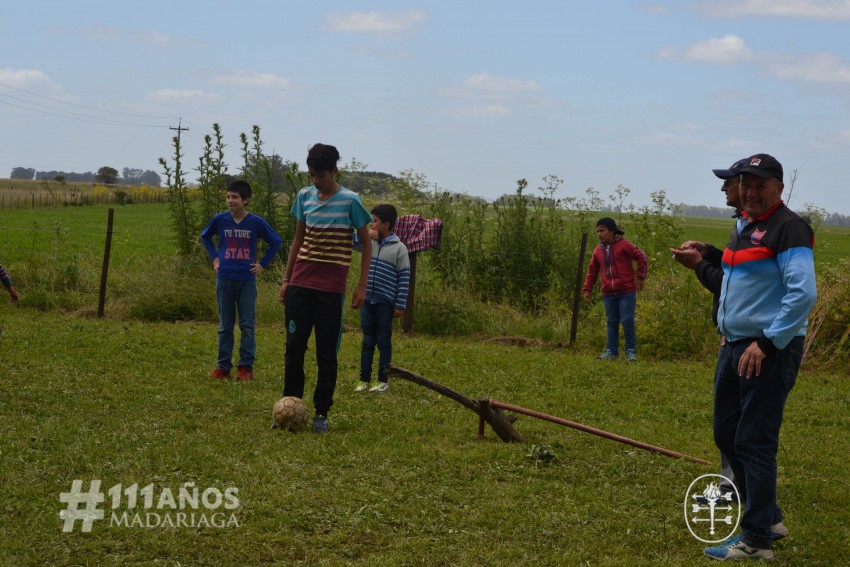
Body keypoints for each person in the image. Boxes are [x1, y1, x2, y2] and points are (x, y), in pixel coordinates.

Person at [701, 154, 817, 561]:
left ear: (778, 189)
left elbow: (802, 294)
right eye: (745, 185)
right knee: (727, 433)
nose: (749, 192)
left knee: (755, 440)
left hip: (766, 351)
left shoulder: (789, 228)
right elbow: (737, 281)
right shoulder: (747, 225)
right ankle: (767, 518)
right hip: (734, 345)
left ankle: (756, 541)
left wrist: (767, 343)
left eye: (759, 186)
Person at [278, 143, 372, 433]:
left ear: (334, 171)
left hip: (331, 291)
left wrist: (361, 286)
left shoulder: (350, 201)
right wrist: (286, 279)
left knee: (326, 353)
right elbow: (297, 240)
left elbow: (367, 244)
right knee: (294, 348)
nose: (315, 181)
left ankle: (321, 412)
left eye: (320, 175)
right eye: (311, 175)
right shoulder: (304, 197)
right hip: (300, 286)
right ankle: (288, 406)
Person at [671, 157, 746, 499]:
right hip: (731, 337)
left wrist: (699, 265)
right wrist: (710, 252)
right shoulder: (743, 226)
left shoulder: (761, 232)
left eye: (729, 182)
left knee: (742, 423)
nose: (723, 188)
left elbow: (733, 286)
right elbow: (732, 270)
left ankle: (749, 499)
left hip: (751, 342)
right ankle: (732, 485)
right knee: (727, 421)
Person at [200, 180, 283, 381]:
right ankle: (223, 367)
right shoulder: (220, 220)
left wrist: (262, 264)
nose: (230, 201)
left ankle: (245, 367)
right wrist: (216, 258)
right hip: (224, 278)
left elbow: (276, 241)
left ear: (245, 200)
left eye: (235, 197)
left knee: (247, 325)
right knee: (225, 326)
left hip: (246, 280)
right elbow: (205, 237)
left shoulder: (255, 222)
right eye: (228, 196)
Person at [354, 204, 410, 393]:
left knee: (383, 341)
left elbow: (404, 278)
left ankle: (383, 381)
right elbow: (351, 242)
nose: (371, 224)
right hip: (367, 300)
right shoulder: (369, 242)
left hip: (386, 303)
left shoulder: (399, 248)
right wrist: (365, 237)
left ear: (386, 224)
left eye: (375, 221)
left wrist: (400, 305)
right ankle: (364, 380)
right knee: (367, 341)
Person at [582, 217, 648, 361]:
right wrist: (587, 289)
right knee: (612, 321)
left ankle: (630, 351)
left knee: (627, 319)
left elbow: (642, 256)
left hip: (626, 291)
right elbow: (592, 271)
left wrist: (640, 276)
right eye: (598, 231)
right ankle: (612, 352)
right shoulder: (598, 250)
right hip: (608, 293)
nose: (599, 234)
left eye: (603, 230)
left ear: (612, 231)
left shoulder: (624, 245)